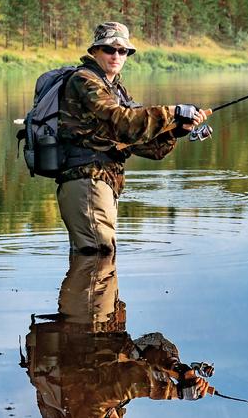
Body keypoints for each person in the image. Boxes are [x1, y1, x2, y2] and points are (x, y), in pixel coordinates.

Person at [56, 21, 209, 255]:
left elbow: (147, 146)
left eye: (123, 51)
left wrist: (177, 130)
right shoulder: (85, 80)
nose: (116, 55)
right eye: (109, 49)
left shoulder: (117, 90)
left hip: (102, 183)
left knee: (98, 264)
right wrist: (174, 111)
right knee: (98, 257)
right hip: (86, 180)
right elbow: (122, 122)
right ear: (95, 51)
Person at [21, 253, 215, 417]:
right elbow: (150, 343)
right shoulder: (108, 404)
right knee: (95, 246)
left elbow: (122, 380)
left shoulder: (86, 409)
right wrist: (176, 368)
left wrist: (176, 392)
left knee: (97, 246)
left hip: (89, 317)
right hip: (94, 316)